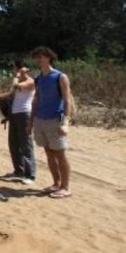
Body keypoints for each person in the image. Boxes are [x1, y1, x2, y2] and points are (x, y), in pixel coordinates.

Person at [29, 47, 72, 199]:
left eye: (42, 57)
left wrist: (65, 122)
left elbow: (67, 100)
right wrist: (31, 121)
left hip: (56, 119)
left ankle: (65, 187)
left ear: (49, 58)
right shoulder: (38, 78)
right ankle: (56, 183)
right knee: (49, 153)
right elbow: (36, 100)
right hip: (41, 119)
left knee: (60, 154)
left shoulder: (60, 76)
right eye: (37, 57)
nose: (39, 60)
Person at [7, 60, 37, 184]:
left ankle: (30, 175)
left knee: (26, 144)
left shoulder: (31, 81)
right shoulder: (17, 80)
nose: (16, 71)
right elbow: (11, 92)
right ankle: (19, 170)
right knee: (13, 143)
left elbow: (16, 87)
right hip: (14, 113)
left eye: (17, 68)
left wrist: (18, 76)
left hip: (25, 113)